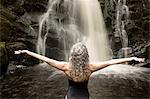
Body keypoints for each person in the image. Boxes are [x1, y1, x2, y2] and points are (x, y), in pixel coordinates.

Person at [15, 42, 144, 99]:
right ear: (86, 55)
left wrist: (27, 52)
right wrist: (132, 58)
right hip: (85, 96)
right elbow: (111, 62)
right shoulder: (90, 68)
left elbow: (46, 59)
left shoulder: (66, 67)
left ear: (72, 55)